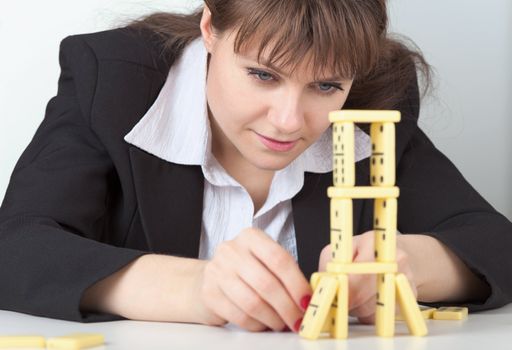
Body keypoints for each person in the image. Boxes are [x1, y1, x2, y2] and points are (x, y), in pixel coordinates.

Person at [0, 0, 511, 334]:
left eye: (327, 86)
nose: (289, 121)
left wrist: (408, 265)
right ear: (210, 29)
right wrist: (197, 288)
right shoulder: (110, 83)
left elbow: (498, 244)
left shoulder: (377, 108)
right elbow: (15, 247)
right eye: (263, 75)